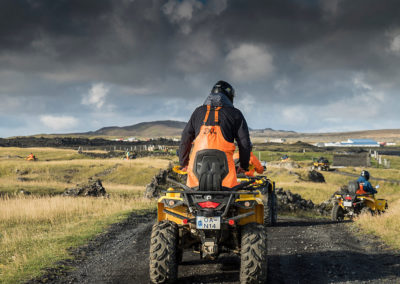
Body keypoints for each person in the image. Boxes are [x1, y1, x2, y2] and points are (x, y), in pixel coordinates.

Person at [179, 80, 251, 188]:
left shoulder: (198, 112)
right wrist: (244, 166)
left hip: (196, 177)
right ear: (230, 97)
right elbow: (245, 144)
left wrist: (183, 163)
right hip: (226, 179)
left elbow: (185, 139)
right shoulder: (235, 114)